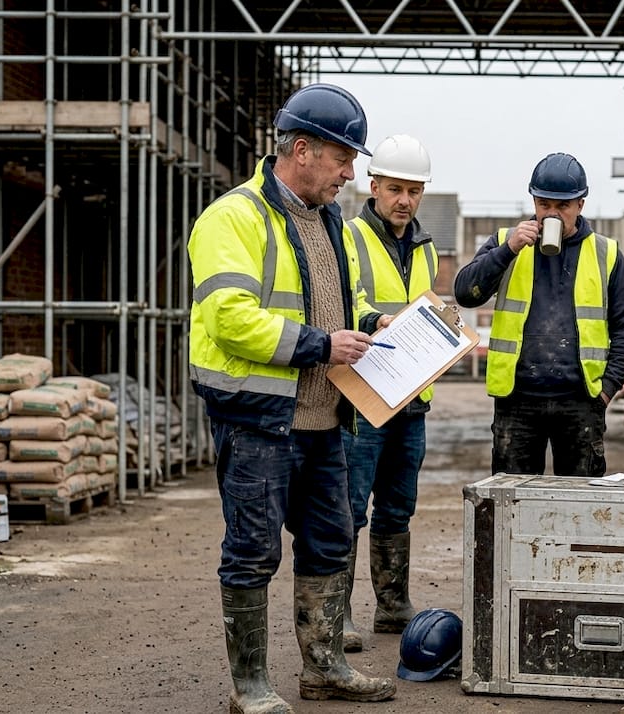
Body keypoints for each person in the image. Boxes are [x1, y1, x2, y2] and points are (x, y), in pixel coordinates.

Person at [187, 82, 396, 712]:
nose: (351, 172)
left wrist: (373, 321)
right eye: (342, 158)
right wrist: (318, 346)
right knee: (252, 552)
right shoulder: (234, 217)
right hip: (258, 420)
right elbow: (229, 316)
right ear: (301, 150)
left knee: (331, 540)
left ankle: (324, 667)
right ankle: (250, 686)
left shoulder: (331, 221)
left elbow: (335, 302)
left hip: (324, 419)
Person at [454, 152, 624, 478]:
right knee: (512, 505)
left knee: (580, 507)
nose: (551, 214)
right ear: (534, 202)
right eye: (544, 205)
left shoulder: (605, 253)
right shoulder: (505, 243)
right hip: (518, 401)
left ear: (580, 205)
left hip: (580, 401)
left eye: (562, 206)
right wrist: (507, 249)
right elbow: (466, 293)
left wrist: (606, 390)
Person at [340, 134, 436, 652]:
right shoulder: (349, 236)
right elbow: (341, 301)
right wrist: (375, 320)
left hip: (411, 399)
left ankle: (392, 605)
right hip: (363, 395)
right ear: (373, 186)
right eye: (395, 188)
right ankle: (340, 614)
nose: (405, 200)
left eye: (414, 191)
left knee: (398, 506)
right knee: (350, 507)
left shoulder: (424, 248)